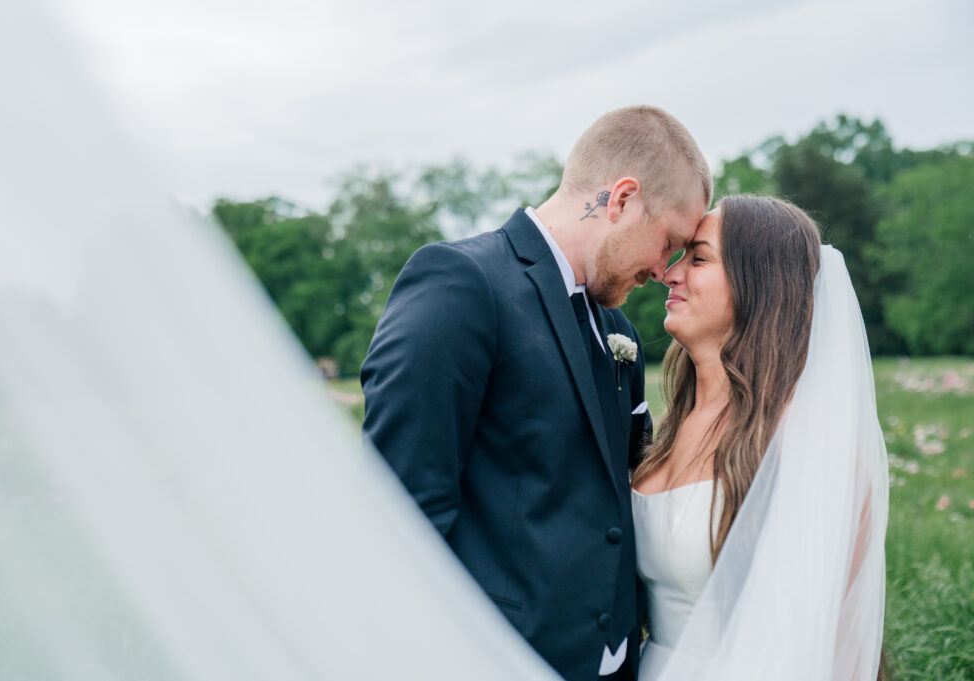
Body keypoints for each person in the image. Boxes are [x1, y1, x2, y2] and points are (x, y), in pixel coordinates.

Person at [360, 105, 711, 681]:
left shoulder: (619, 330)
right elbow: (401, 514)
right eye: (669, 240)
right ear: (621, 199)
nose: (663, 268)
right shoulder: (461, 285)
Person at [630, 195, 888, 681]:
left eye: (699, 258)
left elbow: (838, 646)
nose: (670, 273)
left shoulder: (806, 445)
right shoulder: (672, 423)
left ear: (760, 284)